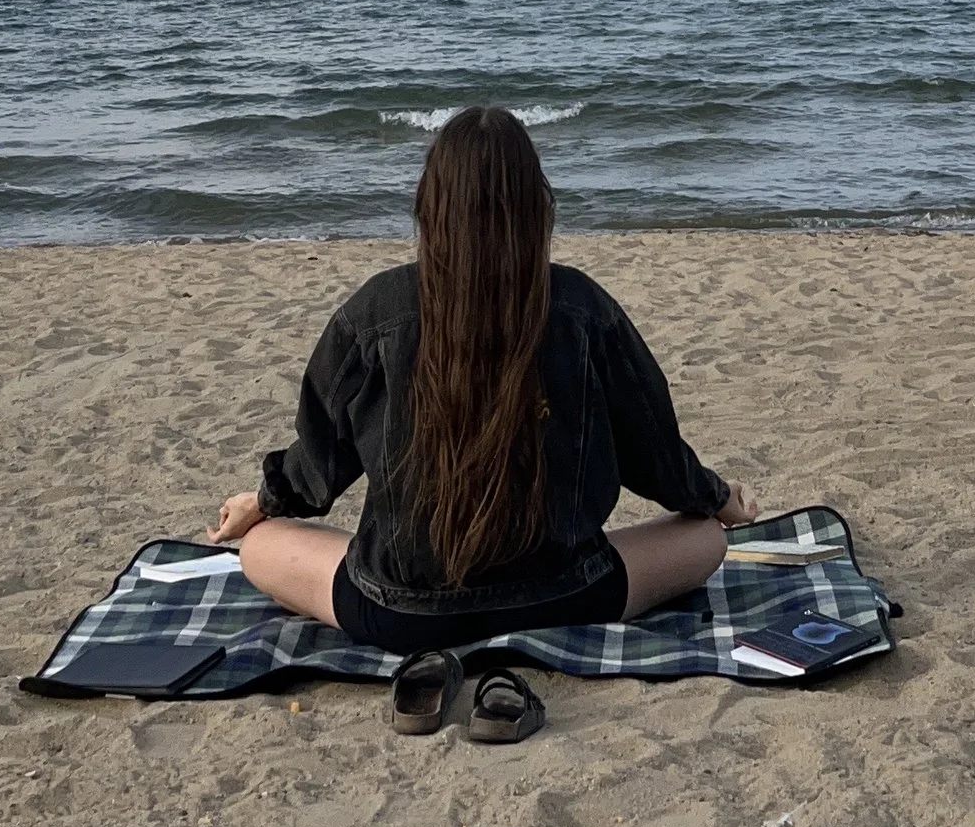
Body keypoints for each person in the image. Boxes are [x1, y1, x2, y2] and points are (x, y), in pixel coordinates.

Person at [208, 103, 756, 731]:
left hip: (401, 613)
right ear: (536, 204)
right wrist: (717, 500)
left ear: (429, 204)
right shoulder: (581, 306)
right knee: (706, 539)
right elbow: (652, 454)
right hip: (568, 598)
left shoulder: (376, 312)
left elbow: (317, 466)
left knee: (259, 549)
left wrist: (264, 501)